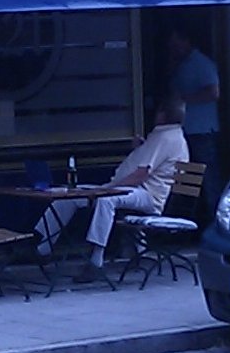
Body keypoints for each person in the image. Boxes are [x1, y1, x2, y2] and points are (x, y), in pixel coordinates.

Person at [34, 95, 189, 283]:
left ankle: (96, 261)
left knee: (106, 200)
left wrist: (111, 189)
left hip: (148, 195)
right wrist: (140, 149)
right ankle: (42, 248)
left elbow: (141, 175)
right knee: (71, 195)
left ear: (162, 115)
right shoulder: (170, 137)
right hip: (136, 190)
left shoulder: (164, 137)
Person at [167, 24, 222, 226]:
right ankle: (190, 221)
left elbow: (213, 92)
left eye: (176, 44)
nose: (173, 48)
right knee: (187, 178)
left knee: (207, 178)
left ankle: (214, 221)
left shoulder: (202, 64)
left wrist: (184, 99)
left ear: (186, 41)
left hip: (201, 130)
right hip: (186, 129)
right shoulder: (182, 65)